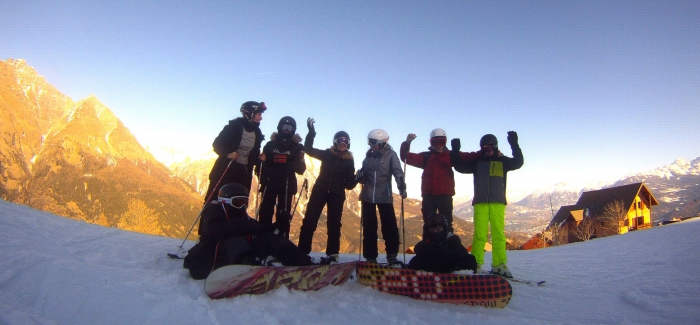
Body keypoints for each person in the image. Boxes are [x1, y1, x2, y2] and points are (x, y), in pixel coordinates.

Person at [183, 183, 314, 280]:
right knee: (235, 239)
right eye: (238, 202)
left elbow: (258, 228)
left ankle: (301, 261)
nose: (243, 206)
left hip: (239, 255)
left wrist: (278, 225)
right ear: (225, 201)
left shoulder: (241, 215)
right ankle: (251, 268)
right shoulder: (214, 211)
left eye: (245, 201)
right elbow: (214, 232)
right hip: (215, 257)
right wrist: (243, 225)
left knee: (271, 238)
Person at [451, 131, 523, 277]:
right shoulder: (477, 162)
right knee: (480, 235)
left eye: (490, 147)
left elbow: (519, 162)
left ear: (495, 147)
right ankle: (475, 264)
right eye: (484, 147)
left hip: (497, 203)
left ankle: (499, 265)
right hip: (481, 203)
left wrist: (514, 144)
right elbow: (458, 166)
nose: (487, 149)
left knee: (498, 235)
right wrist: (455, 150)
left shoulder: (503, 162)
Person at [297, 118, 356, 264]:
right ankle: (302, 251)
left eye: (346, 141)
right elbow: (308, 150)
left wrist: (357, 179)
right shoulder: (327, 154)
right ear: (335, 142)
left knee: (334, 224)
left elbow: (349, 185)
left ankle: (333, 254)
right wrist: (311, 133)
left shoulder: (349, 161)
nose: (343, 143)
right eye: (340, 141)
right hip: (320, 191)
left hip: (337, 194)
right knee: (310, 219)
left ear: (348, 144)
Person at [399, 128, 481, 232]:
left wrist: (489, 150)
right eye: (435, 142)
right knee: (428, 223)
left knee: (446, 223)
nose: (438, 145)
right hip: (429, 195)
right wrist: (407, 143)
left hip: (445, 195)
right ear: (431, 142)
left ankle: (448, 245)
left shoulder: (451, 155)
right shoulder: (426, 156)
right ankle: (429, 246)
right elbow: (405, 157)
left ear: (445, 142)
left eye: (441, 142)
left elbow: (471, 156)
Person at [356, 129, 406, 266]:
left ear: (382, 143)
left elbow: (397, 171)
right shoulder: (368, 157)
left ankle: (392, 255)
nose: (371, 145)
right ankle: (370, 257)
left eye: (373, 143)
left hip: (384, 195)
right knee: (369, 227)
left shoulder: (391, 155)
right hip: (367, 196)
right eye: (370, 142)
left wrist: (401, 185)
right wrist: (360, 176)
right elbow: (364, 174)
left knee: (389, 226)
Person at [204, 101, 266, 203]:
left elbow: (253, 154)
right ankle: (210, 218)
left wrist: (258, 158)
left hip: (244, 172)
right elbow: (217, 144)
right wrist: (228, 154)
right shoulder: (234, 127)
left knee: (239, 201)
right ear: (250, 114)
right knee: (215, 201)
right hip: (227, 168)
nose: (261, 118)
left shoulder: (257, 132)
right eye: (259, 114)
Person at [257, 116, 306, 238]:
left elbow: (301, 169)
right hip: (270, 182)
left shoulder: (298, 147)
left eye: (290, 127)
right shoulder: (270, 144)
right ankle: (263, 240)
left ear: (294, 129)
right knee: (265, 212)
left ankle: (281, 242)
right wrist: (262, 168)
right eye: (284, 126)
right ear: (279, 127)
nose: (286, 130)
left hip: (287, 184)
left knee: (283, 215)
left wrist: (286, 161)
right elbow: (261, 165)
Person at [407, 214, 477, 273]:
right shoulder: (424, 246)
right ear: (427, 232)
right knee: (415, 262)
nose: (436, 233)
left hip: (450, 270)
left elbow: (462, 254)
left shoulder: (453, 241)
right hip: (430, 273)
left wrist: (443, 252)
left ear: (445, 229)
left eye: (438, 230)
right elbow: (418, 251)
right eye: (432, 230)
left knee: (470, 260)